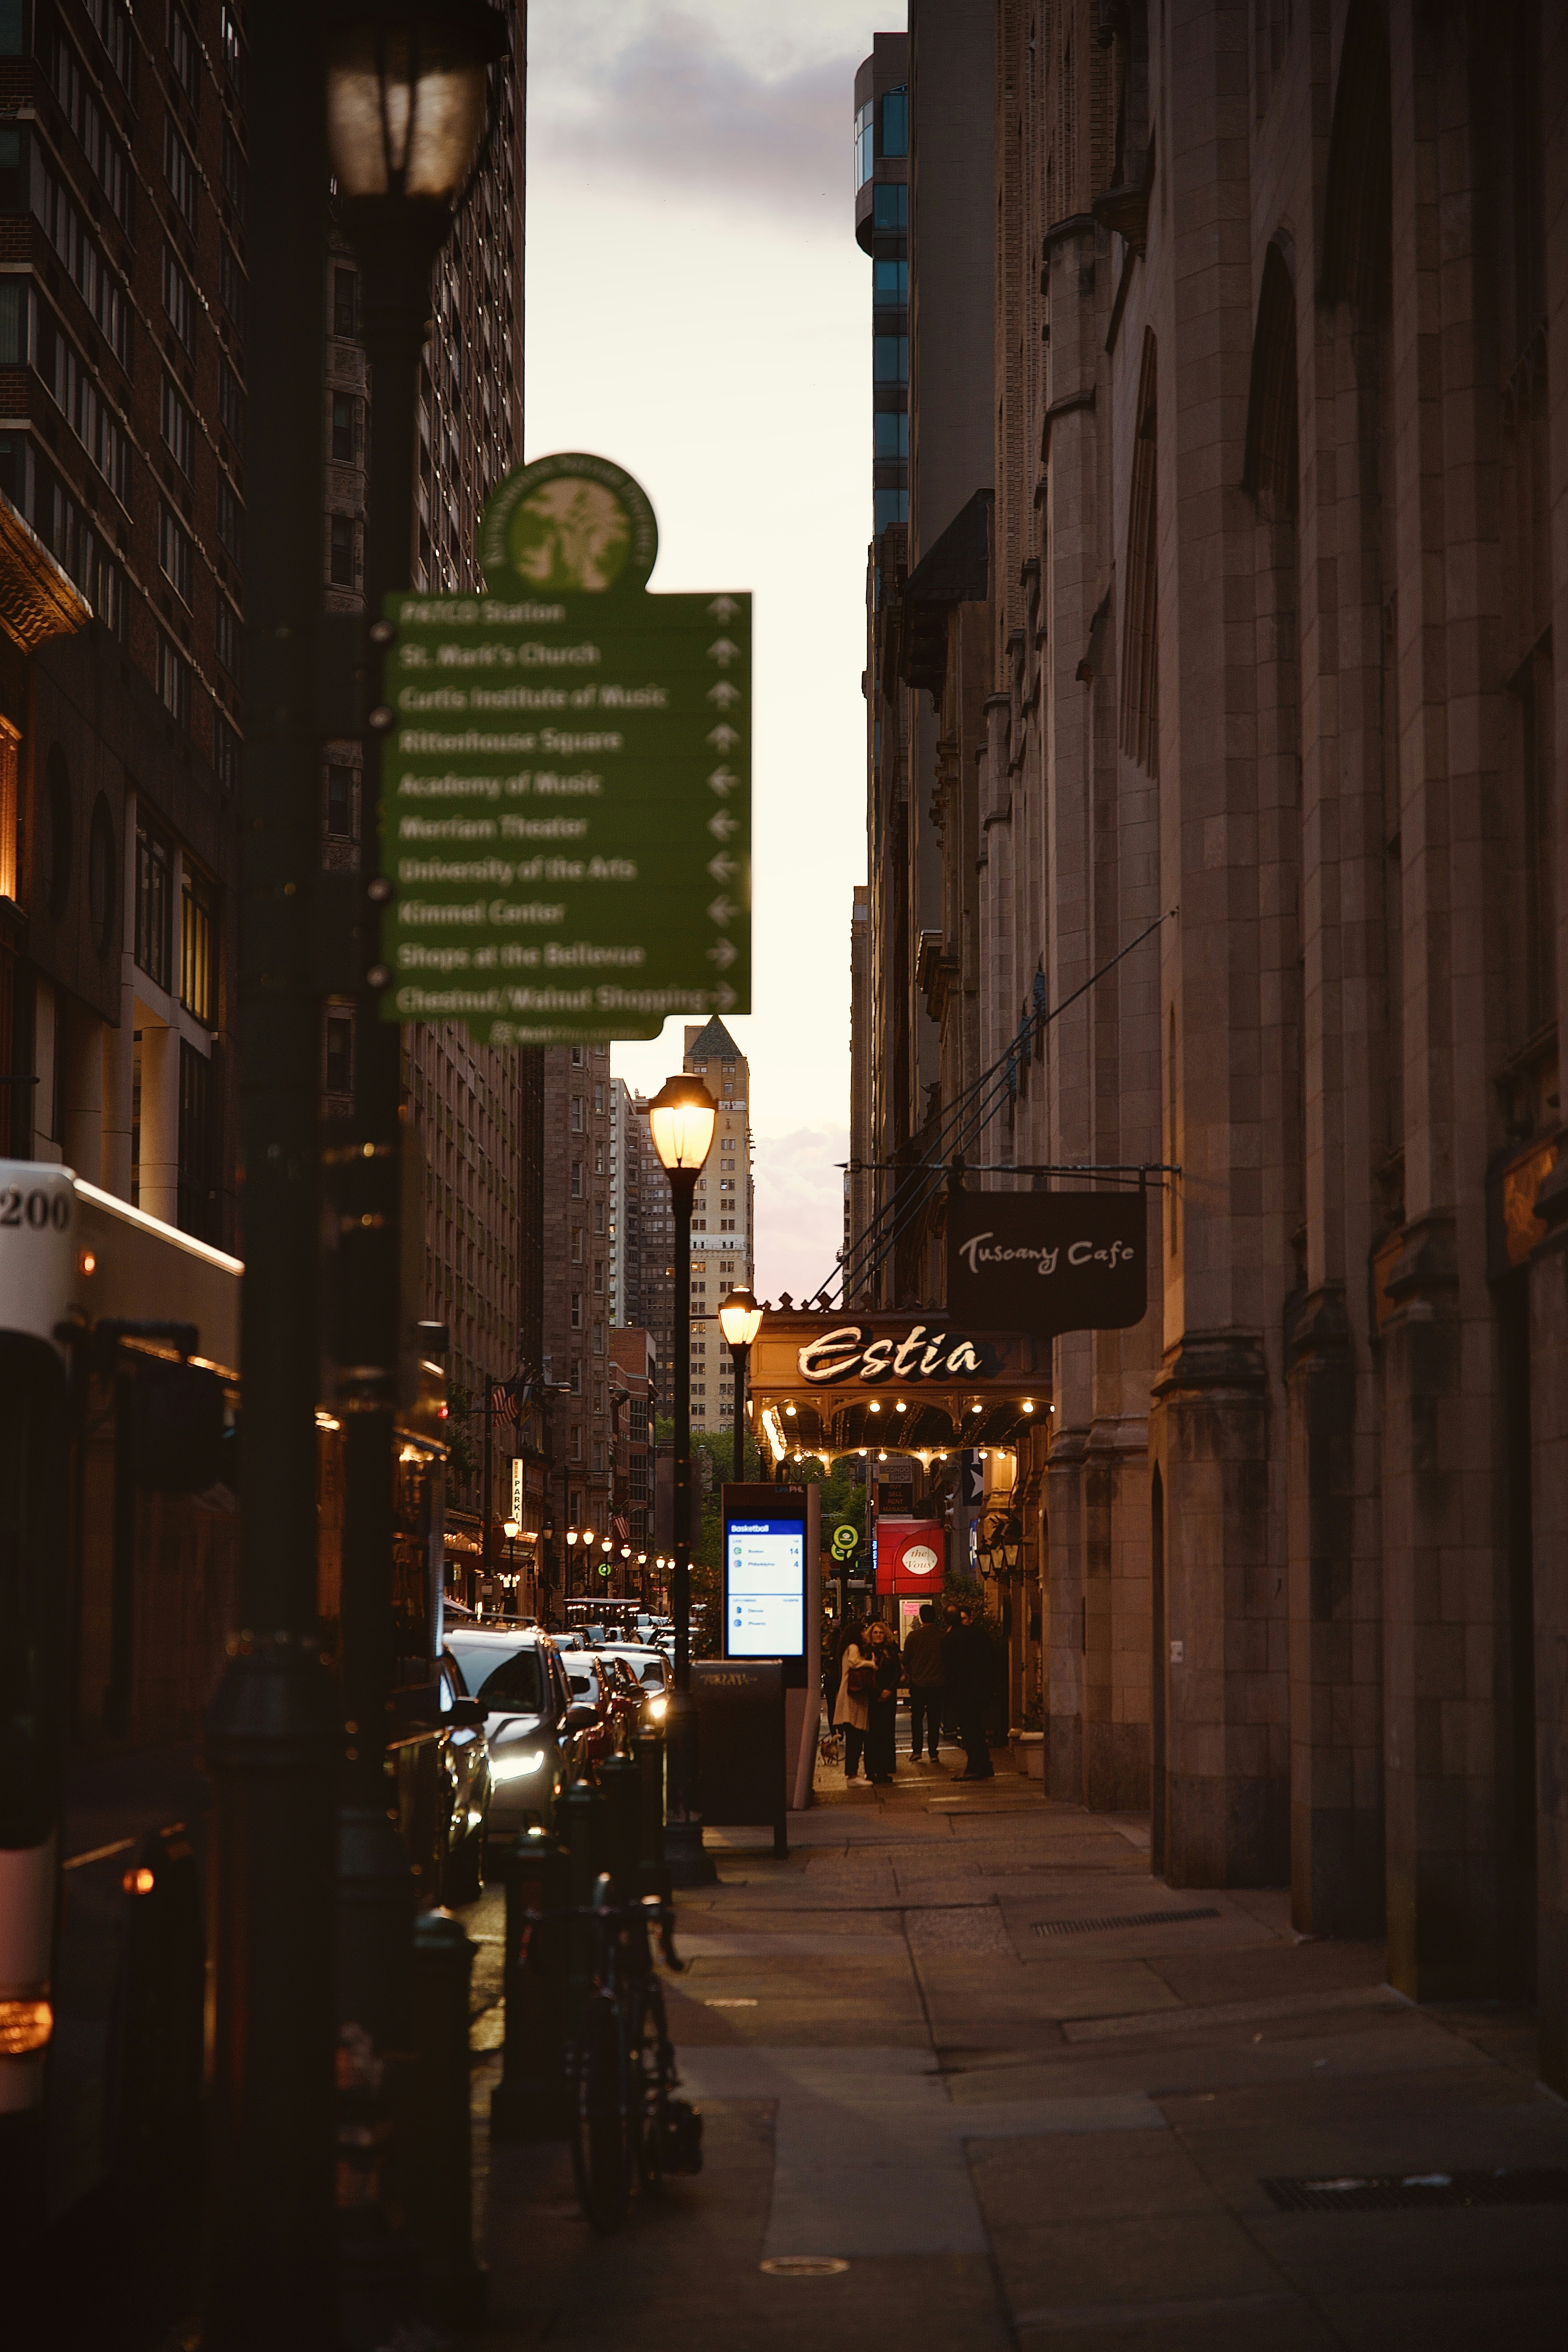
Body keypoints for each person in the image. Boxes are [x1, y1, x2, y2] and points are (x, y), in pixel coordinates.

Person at [942, 1603, 994, 1779]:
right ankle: (984, 1765)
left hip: (962, 1693)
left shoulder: (949, 1640)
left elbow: (949, 1670)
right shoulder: (980, 1635)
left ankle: (976, 1766)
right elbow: (990, 1662)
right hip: (980, 1690)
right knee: (977, 1728)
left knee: (969, 1731)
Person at [903, 1600, 945, 1763]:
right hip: (938, 1684)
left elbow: (906, 1660)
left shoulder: (914, 1637)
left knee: (917, 1718)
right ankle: (933, 1752)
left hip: (918, 1684)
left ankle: (917, 1751)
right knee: (934, 1719)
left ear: (921, 1618)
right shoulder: (942, 1636)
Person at [833, 1624, 872, 1781]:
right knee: (855, 1737)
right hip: (852, 1697)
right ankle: (853, 1775)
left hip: (850, 1695)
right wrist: (871, 1664)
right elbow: (854, 1663)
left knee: (854, 1736)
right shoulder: (854, 1647)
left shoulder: (847, 1647)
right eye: (863, 1631)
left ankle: (853, 1773)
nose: (865, 1634)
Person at [864, 1619, 901, 1783]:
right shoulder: (867, 1652)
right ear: (871, 1635)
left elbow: (897, 1672)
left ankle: (884, 1770)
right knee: (872, 1735)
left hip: (888, 1697)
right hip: (872, 1697)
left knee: (887, 1733)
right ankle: (871, 1770)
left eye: (881, 1633)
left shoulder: (890, 1652)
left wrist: (889, 1690)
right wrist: (878, 1692)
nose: (878, 1635)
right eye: (875, 1633)